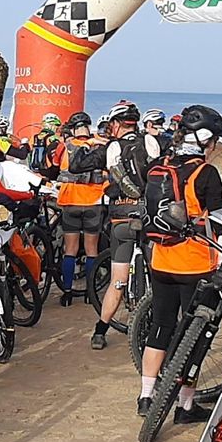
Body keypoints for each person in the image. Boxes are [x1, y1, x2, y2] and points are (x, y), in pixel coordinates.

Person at [137, 106, 222, 424]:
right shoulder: (206, 173)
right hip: (195, 263)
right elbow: (219, 218)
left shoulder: (159, 166)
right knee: (195, 335)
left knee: (161, 326)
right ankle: (185, 406)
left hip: (160, 258)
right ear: (205, 141)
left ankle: (146, 396)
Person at [92, 103, 160, 350]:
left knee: (117, 280)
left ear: (116, 124)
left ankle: (100, 332)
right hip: (148, 217)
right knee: (158, 277)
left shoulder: (113, 147)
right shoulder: (151, 142)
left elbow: (114, 176)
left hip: (121, 218)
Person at [53, 111, 109, 305]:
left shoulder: (66, 146)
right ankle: (90, 293)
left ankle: (67, 292)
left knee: (71, 249)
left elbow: (53, 164)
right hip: (94, 201)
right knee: (91, 249)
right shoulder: (101, 144)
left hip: (70, 201)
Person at [28, 113, 63, 179]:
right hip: (48, 172)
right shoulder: (53, 138)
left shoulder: (33, 137)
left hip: (34, 171)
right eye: (56, 125)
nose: (57, 128)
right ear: (50, 125)